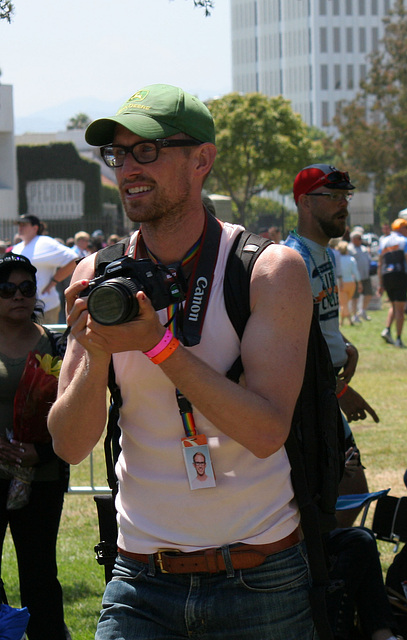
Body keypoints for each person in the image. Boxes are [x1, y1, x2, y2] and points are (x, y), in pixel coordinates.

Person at [48, 83, 316, 639]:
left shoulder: (269, 272)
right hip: (140, 579)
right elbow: (70, 445)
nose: (128, 168)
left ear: (202, 160)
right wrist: (97, 349)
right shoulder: (95, 276)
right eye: (118, 154)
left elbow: (266, 431)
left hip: (260, 577)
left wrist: (158, 346)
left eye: (147, 150)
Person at [285, 164, 379, 527]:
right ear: (305, 202)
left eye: (346, 197)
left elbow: (317, 324)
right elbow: (292, 345)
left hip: (325, 392)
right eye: (334, 197)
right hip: (311, 400)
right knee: (342, 499)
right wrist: (338, 391)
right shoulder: (294, 260)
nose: (344, 205)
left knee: (351, 492)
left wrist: (344, 345)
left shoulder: (324, 253)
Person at [0, 253, 70, 640]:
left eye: (27, 287)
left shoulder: (56, 346)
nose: (18, 296)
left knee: (40, 573)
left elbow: (72, 413)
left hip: (41, 476)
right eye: (7, 288)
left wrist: (39, 453)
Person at [12, 215, 77, 324]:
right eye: (19, 225)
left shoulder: (45, 242)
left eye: (24, 224)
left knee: (44, 340)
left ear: (35, 228)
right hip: (22, 307)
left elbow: (74, 259)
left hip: (45, 307)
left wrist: (54, 282)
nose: (20, 227)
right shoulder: (17, 248)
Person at [379, 218, 407, 348]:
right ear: (403, 229)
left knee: (394, 305)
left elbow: (380, 264)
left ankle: (387, 329)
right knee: (400, 309)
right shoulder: (404, 241)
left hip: (386, 276)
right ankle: (399, 339)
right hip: (400, 276)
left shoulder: (383, 241)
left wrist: (380, 283)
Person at [348, 230, 374, 322]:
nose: (360, 240)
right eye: (359, 238)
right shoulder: (349, 249)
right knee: (355, 297)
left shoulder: (364, 248)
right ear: (354, 239)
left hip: (365, 276)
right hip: (355, 277)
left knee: (369, 294)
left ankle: (362, 311)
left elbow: (369, 260)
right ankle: (354, 315)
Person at [336, 240, 361, 326]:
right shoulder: (351, 259)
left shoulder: (337, 260)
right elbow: (356, 272)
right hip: (351, 283)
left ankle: (347, 321)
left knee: (344, 304)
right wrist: (359, 283)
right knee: (345, 303)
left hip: (341, 283)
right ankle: (345, 321)